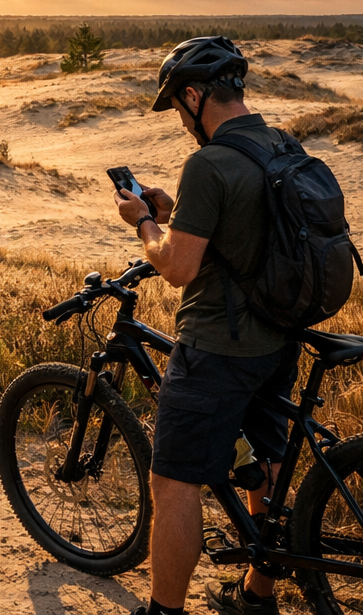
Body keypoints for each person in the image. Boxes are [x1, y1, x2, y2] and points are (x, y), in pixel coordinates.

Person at [113, 36, 303, 615]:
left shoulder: (210, 161)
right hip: (279, 336)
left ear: (194, 95)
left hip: (220, 344)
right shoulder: (281, 145)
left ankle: (164, 611)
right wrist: (177, 215)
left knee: (174, 482)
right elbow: (246, 235)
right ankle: (255, 595)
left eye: (176, 105)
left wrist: (144, 221)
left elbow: (175, 268)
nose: (179, 118)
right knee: (266, 460)